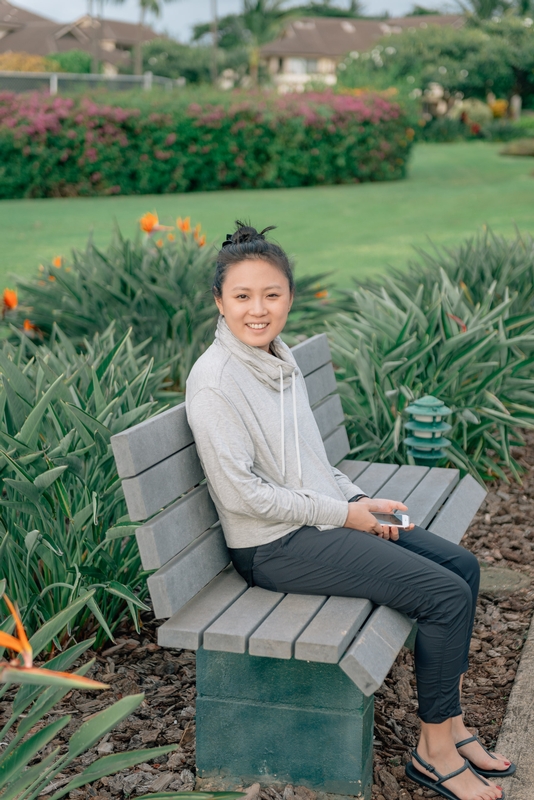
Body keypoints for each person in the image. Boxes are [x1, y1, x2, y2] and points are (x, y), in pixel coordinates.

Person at [185, 222, 515, 800]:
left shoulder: (277, 361)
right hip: (272, 546)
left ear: (289, 296)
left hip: (317, 521)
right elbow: (244, 497)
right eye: (242, 297)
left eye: (271, 295)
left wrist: (357, 498)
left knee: (462, 569)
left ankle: (453, 730)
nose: (257, 310)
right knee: (441, 596)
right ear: (219, 301)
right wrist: (345, 516)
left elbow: (310, 458)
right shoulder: (216, 383)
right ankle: (432, 754)